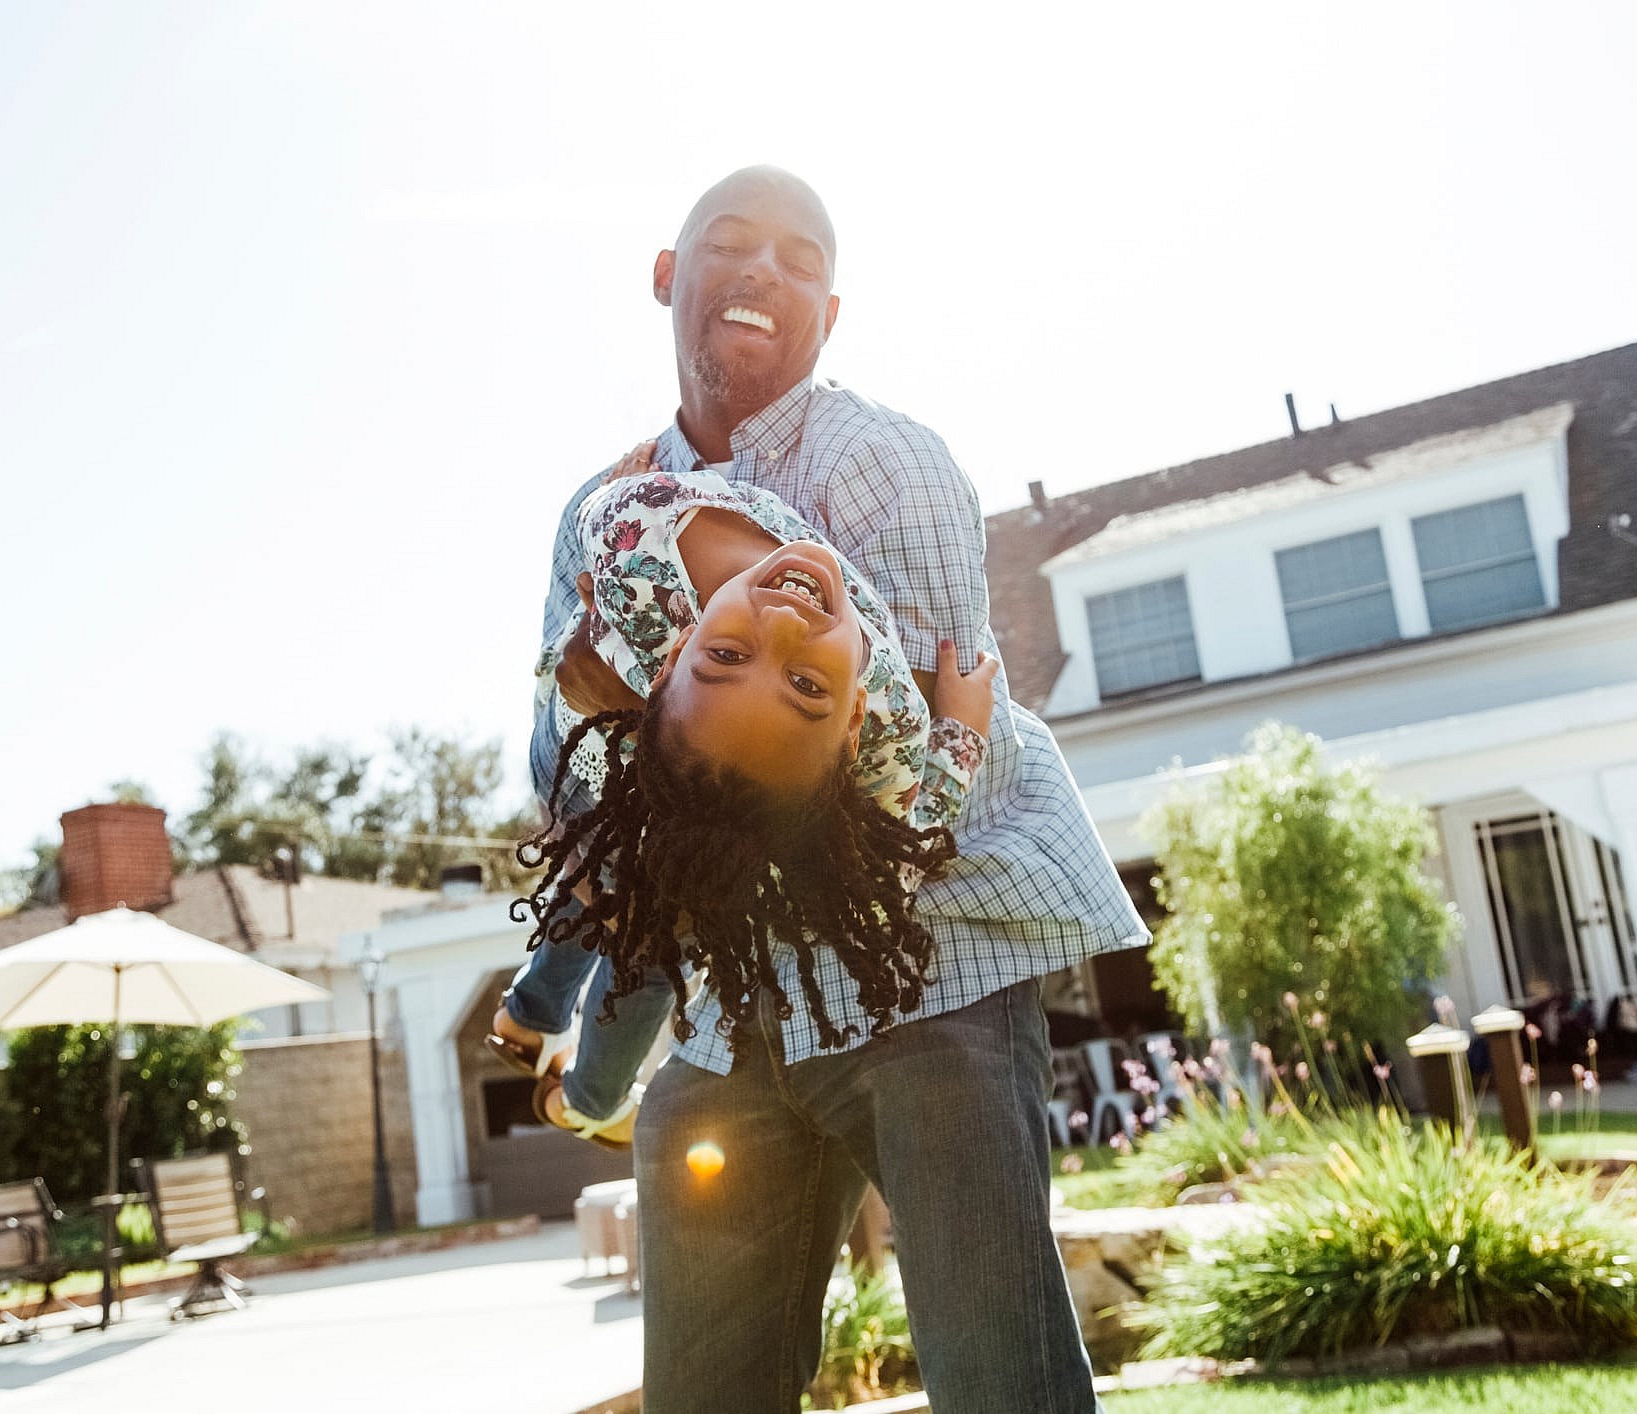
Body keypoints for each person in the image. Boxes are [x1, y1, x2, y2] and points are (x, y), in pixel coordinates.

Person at [531, 166, 1148, 1413]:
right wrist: (613, 727)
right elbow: (564, 773)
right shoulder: (605, 512)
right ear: (668, 275)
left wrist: (643, 718)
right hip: (728, 1009)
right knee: (707, 1391)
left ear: (831, 309)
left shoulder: (889, 470)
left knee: (1002, 1382)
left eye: (801, 258)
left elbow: (914, 798)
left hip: (931, 977)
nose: (764, 271)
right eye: (730, 242)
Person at [489, 445, 996, 1147]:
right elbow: (894, 876)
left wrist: (622, 514)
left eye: (729, 656)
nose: (787, 620)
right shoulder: (891, 725)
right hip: (604, 760)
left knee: (630, 905)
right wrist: (962, 733)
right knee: (631, 914)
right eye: (805, 686)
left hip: (637, 754)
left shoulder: (634, 532)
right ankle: (580, 1084)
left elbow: (889, 878)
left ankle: (548, 1044)